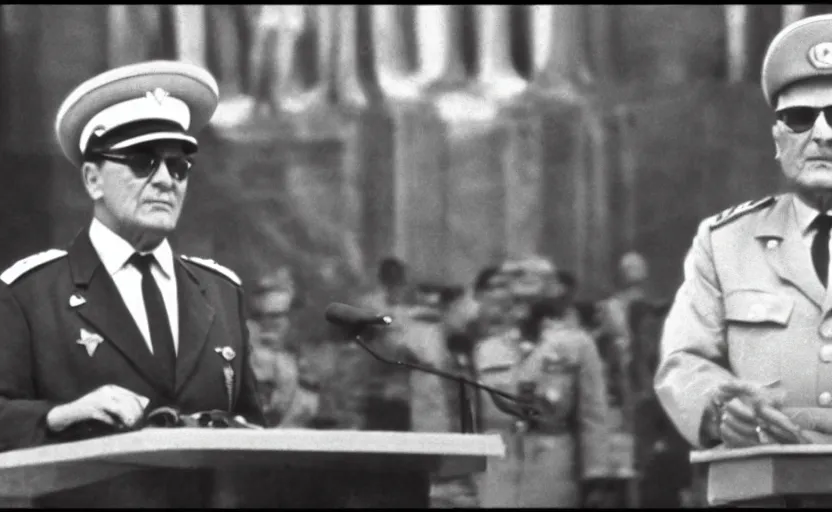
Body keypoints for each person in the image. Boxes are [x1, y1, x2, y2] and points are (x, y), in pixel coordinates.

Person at [0, 60, 264, 507]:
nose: (166, 180)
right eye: (143, 162)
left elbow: (252, 429)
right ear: (92, 179)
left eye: (179, 166)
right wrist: (59, 416)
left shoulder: (220, 292)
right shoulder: (31, 293)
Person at [654, 14, 832, 507]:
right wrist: (719, 407)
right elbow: (684, 361)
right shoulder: (724, 241)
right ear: (778, 138)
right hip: (761, 493)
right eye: (800, 118)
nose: (821, 134)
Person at [472, 257, 611, 508]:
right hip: (497, 471)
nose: (521, 307)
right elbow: (471, 419)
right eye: (515, 299)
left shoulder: (576, 346)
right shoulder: (486, 350)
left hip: (553, 469)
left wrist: (596, 477)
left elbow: (593, 416)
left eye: (529, 299)